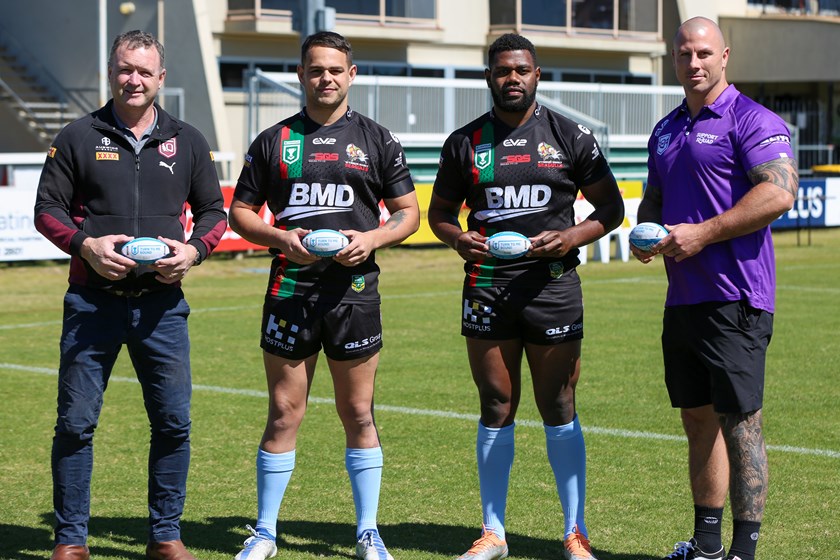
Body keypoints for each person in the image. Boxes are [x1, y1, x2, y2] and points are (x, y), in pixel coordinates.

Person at [428, 33, 624, 560]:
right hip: (487, 287)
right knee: (495, 403)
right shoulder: (465, 143)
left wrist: (570, 237)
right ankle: (493, 532)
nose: (511, 78)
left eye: (521, 70)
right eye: (502, 71)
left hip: (553, 286)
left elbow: (611, 209)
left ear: (537, 75)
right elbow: (439, 214)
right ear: (489, 78)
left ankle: (574, 531)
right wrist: (456, 237)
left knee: (559, 403)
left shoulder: (570, 135)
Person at [33, 30, 227, 560]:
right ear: (111, 72)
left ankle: (166, 535)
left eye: (144, 71)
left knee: (172, 421)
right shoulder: (76, 136)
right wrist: (84, 245)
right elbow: (46, 210)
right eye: (125, 69)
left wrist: (193, 252)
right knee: (75, 423)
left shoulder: (187, 140)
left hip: (162, 307)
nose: (134, 79)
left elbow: (214, 212)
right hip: (91, 304)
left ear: (161, 78)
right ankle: (71, 540)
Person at [228, 31, 419, 560]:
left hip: (354, 292)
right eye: (316, 70)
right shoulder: (275, 140)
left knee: (358, 411)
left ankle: (368, 531)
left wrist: (374, 238)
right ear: (301, 74)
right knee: (284, 411)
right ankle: (265, 531)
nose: (326, 78)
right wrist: (281, 238)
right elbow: (239, 213)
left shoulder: (378, 139)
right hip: (290, 288)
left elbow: (409, 214)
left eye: (335, 70)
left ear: (351, 75)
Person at [633, 17, 798, 560]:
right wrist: (647, 233)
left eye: (703, 53)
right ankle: (705, 546)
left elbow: (778, 193)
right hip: (682, 297)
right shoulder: (665, 128)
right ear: (673, 60)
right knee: (697, 420)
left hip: (737, 296)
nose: (694, 63)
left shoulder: (752, 119)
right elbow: (654, 198)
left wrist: (703, 233)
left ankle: (743, 552)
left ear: (724, 56)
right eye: (684, 54)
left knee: (741, 425)